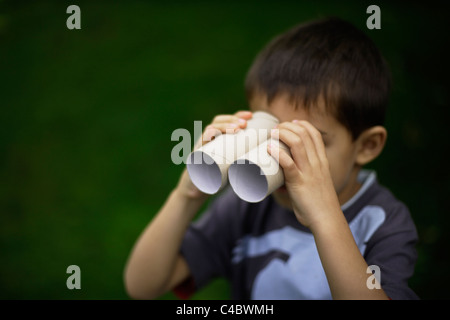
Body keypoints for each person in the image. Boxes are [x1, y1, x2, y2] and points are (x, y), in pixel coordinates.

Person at [124, 17, 419, 300]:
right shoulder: (246, 205)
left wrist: (324, 216)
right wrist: (186, 196)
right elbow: (143, 285)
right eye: (267, 132)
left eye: (307, 141)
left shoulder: (383, 222)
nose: (279, 157)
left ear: (366, 146)